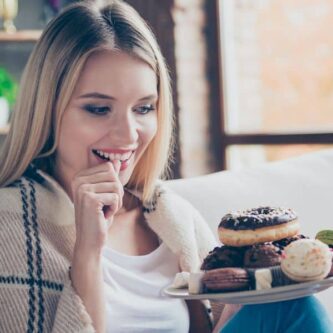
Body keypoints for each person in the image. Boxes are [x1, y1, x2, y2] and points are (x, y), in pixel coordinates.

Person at [0, 1, 331, 332]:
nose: (129, 134)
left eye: (144, 108)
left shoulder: (171, 216)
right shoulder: (11, 224)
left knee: (296, 307)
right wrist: (88, 254)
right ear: (47, 111)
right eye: (99, 109)